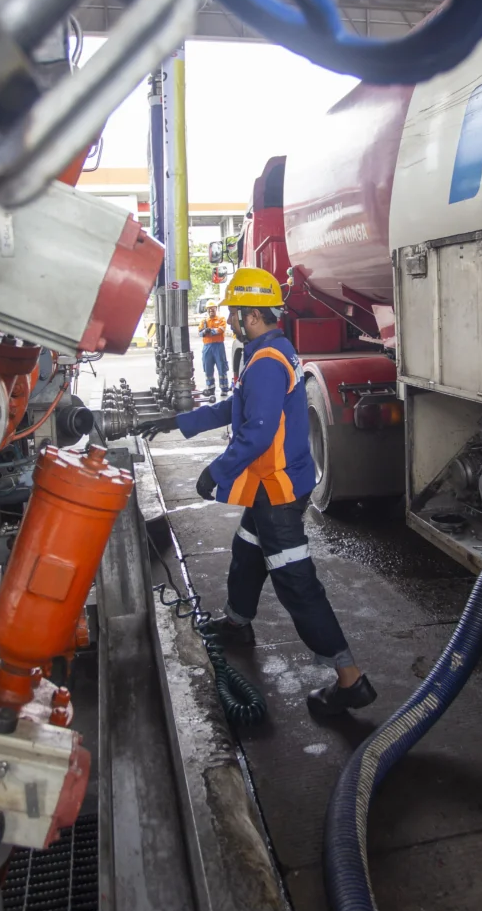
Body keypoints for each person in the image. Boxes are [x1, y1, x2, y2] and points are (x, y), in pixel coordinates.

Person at [136, 268, 376, 716]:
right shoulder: (268, 351)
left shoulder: (265, 361)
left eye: (233, 313)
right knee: (248, 550)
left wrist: (216, 471)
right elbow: (236, 406)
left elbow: (259, 432)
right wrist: (177, 422)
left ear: (249, 315)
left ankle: (350, 677)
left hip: (278, 491)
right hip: (275, 486)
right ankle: (238, 622)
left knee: (295, 582)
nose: (229, 320)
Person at [199, 301, 229, 398]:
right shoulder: (204, 321)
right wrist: (204, 331)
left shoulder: (221, 319)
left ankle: (224, 389)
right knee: (208, 368)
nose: (211, 310)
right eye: (209, 308)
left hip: (218, 346)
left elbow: (222, 329)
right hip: (207, 347)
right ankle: (210, 388)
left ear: (216, 309)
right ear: (207, 310)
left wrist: (211, 331)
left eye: (213, 308)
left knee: (222, 367)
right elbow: (199, 333)